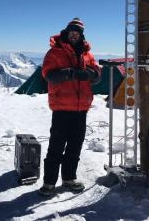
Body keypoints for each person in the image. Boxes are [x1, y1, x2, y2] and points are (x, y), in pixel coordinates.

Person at [39, 18, 101, 197]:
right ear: (67, 32)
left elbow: (97, 74)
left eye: (78, 32)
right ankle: (49, 182)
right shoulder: (55, 52)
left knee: (75, 145)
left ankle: (68, 178)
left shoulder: (87, 54)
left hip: (81, 108)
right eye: (72, 31)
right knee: (56, 146)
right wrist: (67, 74)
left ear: (81, 34)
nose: (74, 34)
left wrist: (90, 73)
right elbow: (48, 75)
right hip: (61, 107)